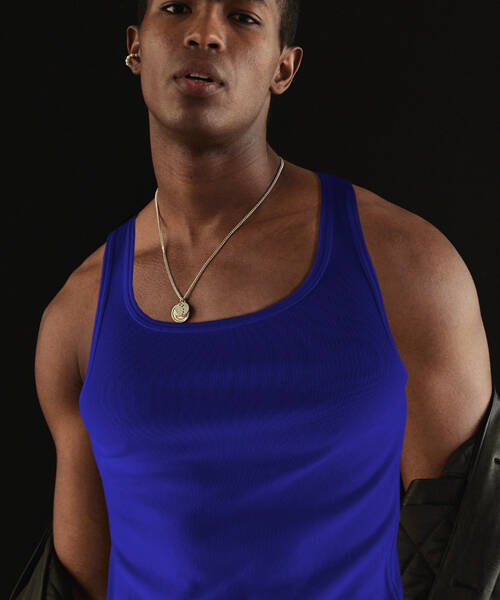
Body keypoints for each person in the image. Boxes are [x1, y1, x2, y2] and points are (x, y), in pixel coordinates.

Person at [31, 0, 493, 599]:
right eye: (176, 8)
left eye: (244, 17)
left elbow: (466, 554)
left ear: (284, 67)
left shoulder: (408, 267)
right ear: (136, 46)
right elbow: (80, 582)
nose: (205, 34)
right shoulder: (76, 316)